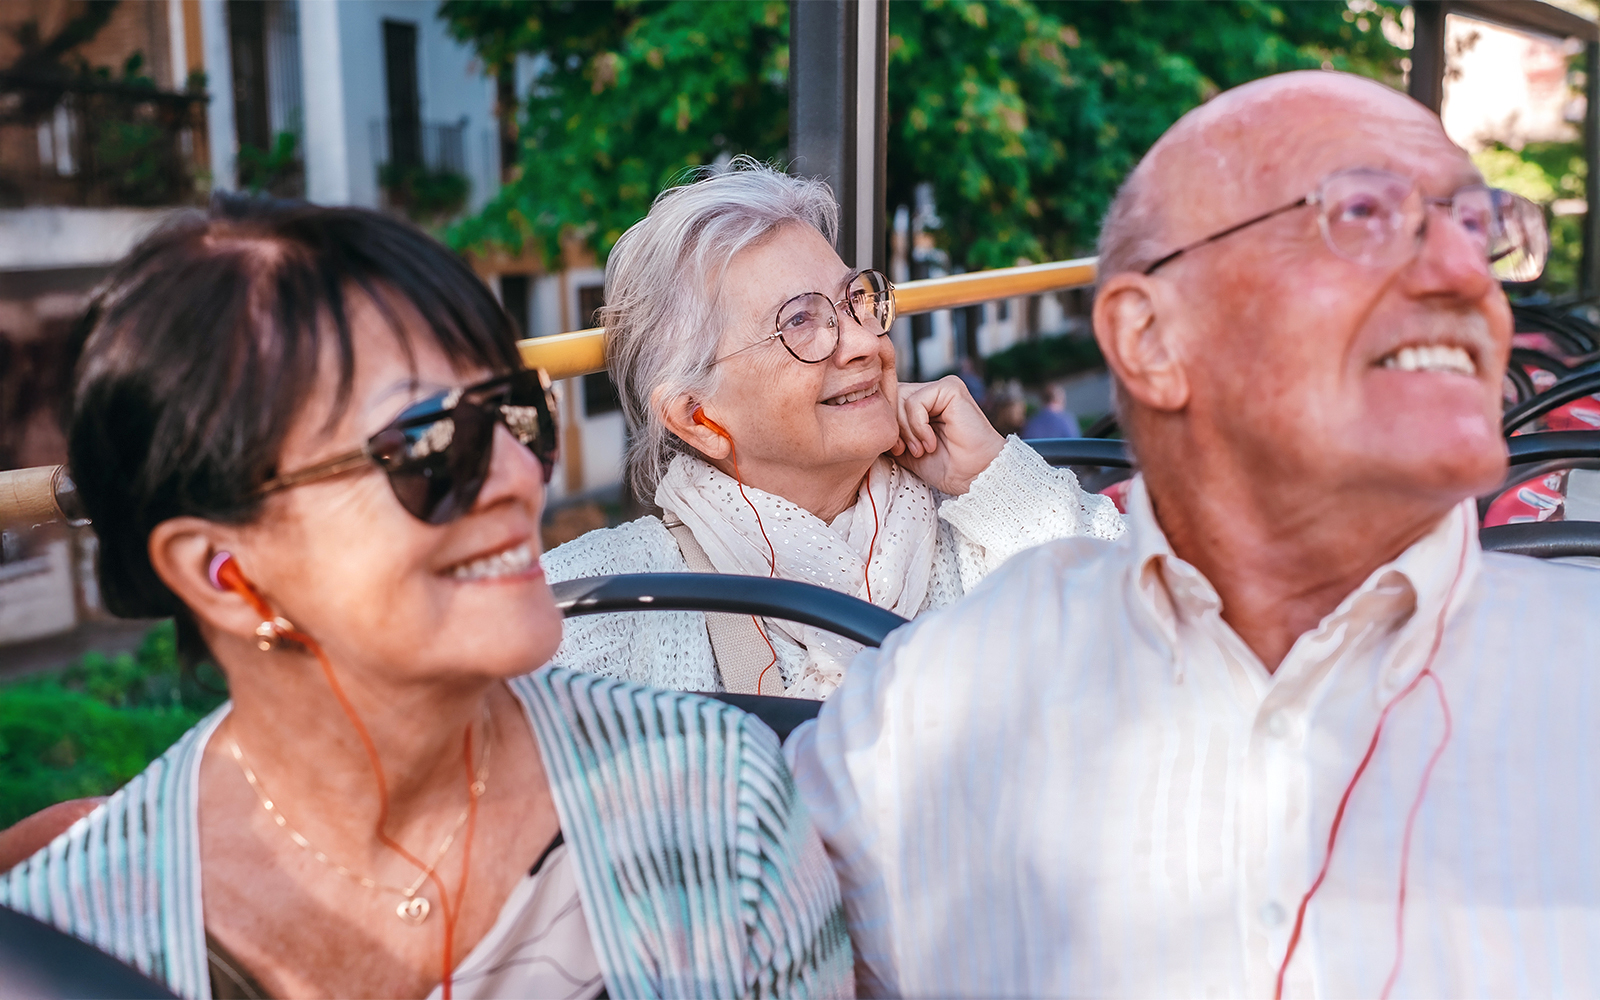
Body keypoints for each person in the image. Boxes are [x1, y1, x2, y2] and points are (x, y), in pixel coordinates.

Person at [788, 71, 1593, 998]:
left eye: (1474, 226)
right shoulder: (928, 708)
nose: (1467, 276)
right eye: (1366, 213)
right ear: (1152, 339)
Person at [0, 200, 850, 999]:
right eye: (429, 447)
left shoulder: (714, 795)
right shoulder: (70, 943)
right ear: (224, 570)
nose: (521, 477)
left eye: (517, 413)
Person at [543, 159, 1123, 698]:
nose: (868, 343)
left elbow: (1167, 628)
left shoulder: (978, 519)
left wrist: (996, 479)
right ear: (698, 418)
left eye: (856, 301)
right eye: (801, 322)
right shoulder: (612, 604)